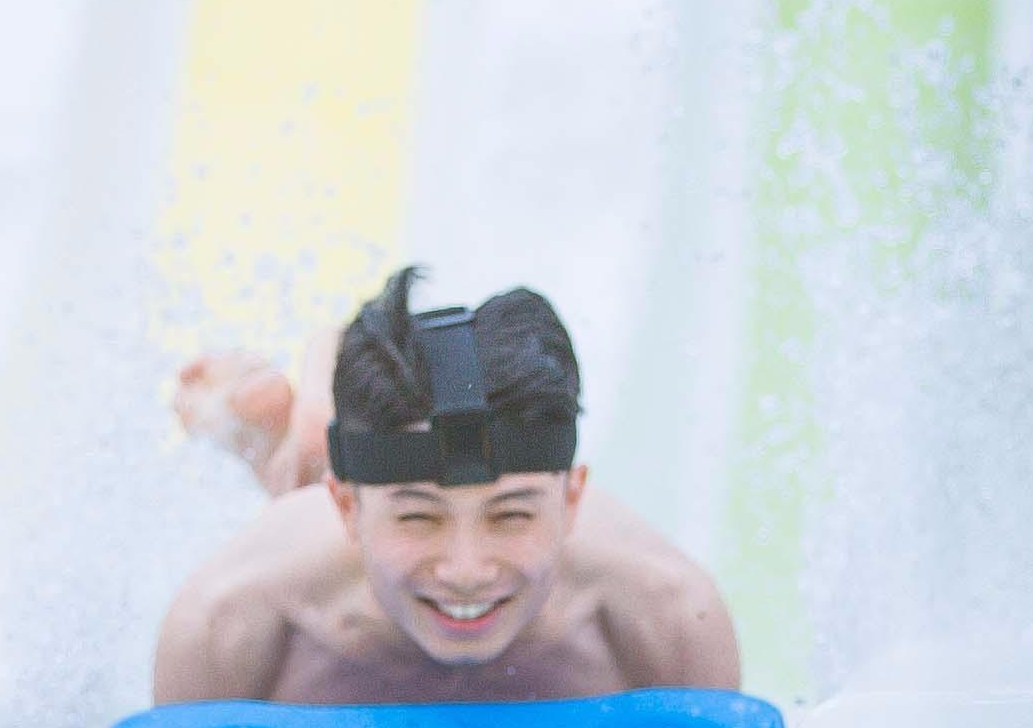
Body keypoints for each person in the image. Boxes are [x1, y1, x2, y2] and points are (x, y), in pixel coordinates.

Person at [150, 269, 740, 706]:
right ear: (346, 507)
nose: (466, 570)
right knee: (299, 467)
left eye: (512, 516)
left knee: (346, 454)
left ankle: (319, 417)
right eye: (418, 519)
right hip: (319, 518)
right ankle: (249, 419)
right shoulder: (231, 616)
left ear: (572, 499)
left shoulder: (668, 614)